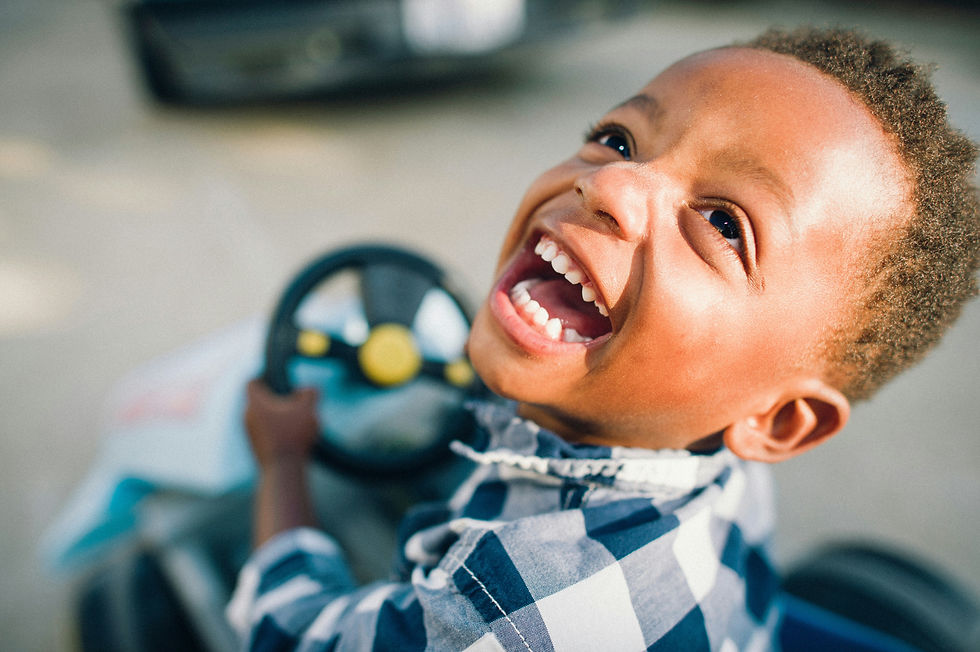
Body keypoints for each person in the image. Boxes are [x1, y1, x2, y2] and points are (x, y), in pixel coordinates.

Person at [226, 26, 979, 650]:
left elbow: (290, 632)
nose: (609, 186)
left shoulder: (505, 609)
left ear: (777, 421)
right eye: (620, 139)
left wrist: (283, 459)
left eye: (723, 222)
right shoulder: (709, 443)